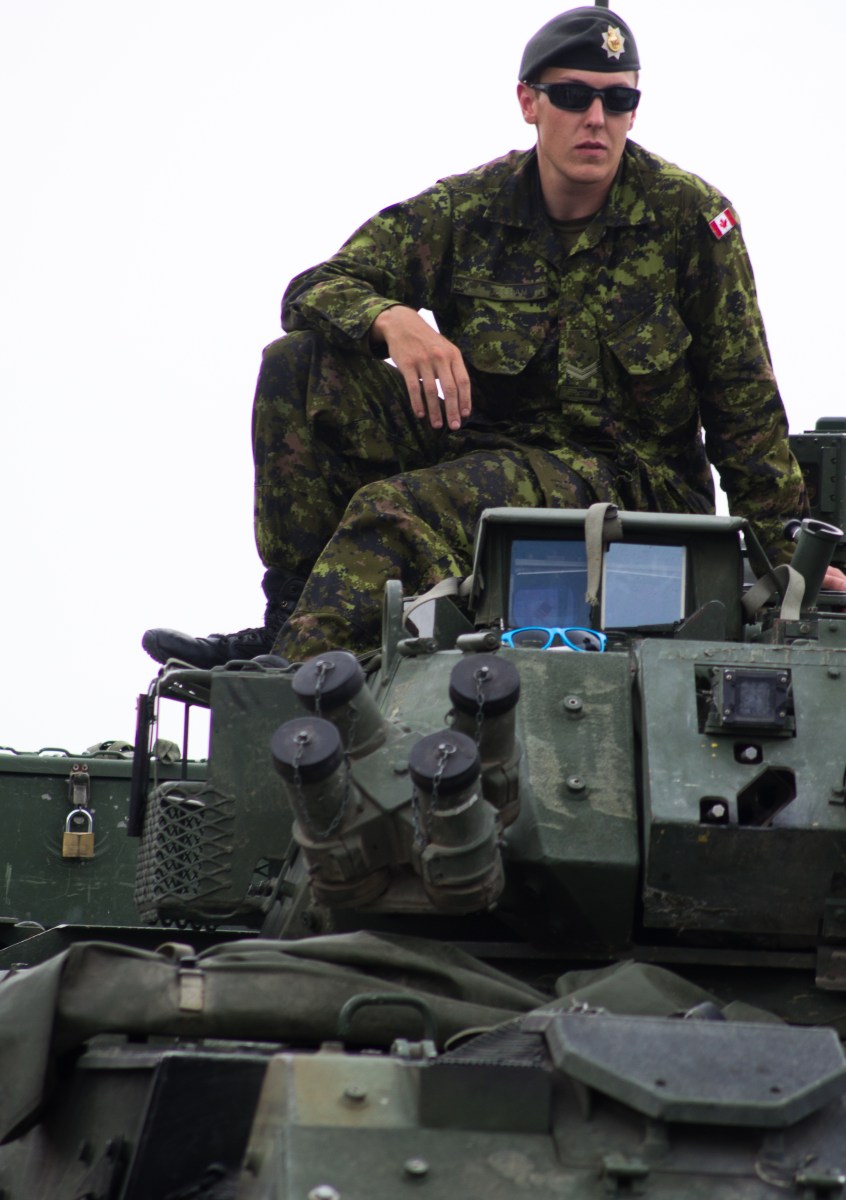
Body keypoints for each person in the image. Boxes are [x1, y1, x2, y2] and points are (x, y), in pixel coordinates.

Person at [143, 6, 843, 670]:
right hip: (484, 450)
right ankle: (291, 615)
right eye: (572, 96)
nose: (596, 118)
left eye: (618, 100)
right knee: (298, 366)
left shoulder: (690, 218)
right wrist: (392, 318)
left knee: (400, 508)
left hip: (634, 486)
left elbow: (744, 405)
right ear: (528, 102)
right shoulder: (469, 209)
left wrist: (792, 562)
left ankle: (298, 668)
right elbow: (314, 289)